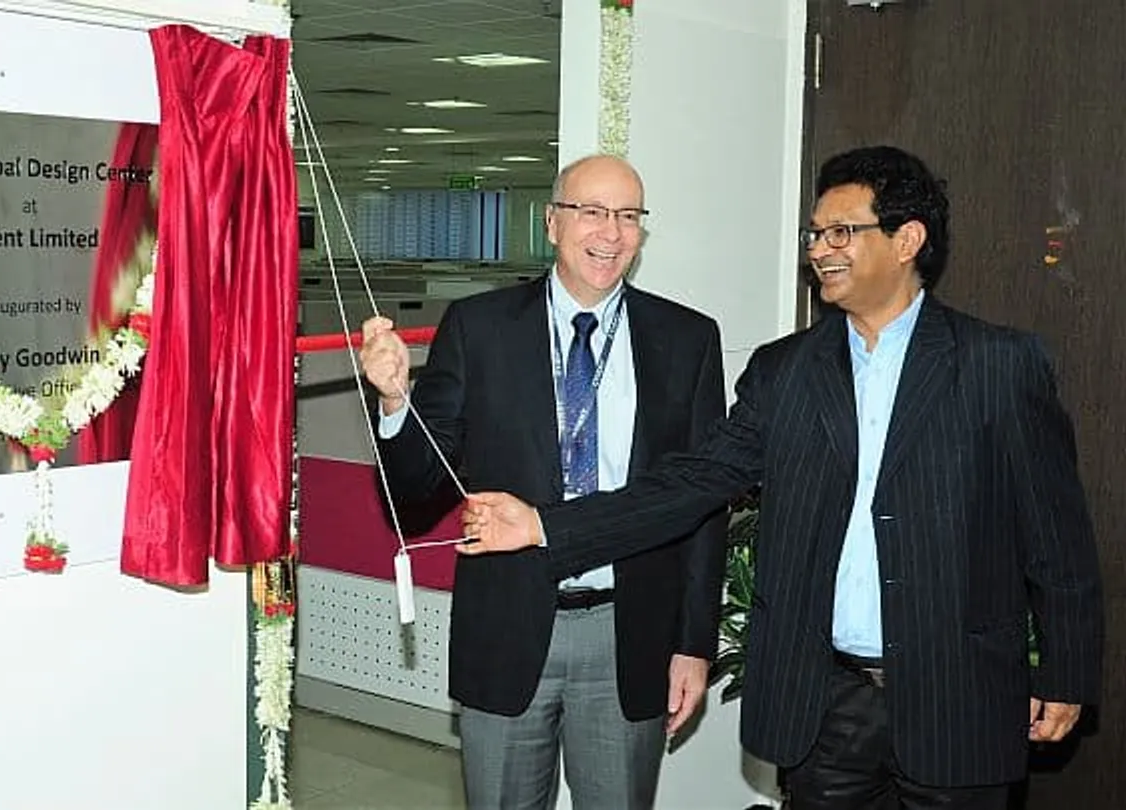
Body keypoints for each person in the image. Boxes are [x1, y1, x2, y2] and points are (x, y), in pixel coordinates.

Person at [460, 146, 1104, 810]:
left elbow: (1057, 537)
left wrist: (1066, 671)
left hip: (960, 699)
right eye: (815, 233)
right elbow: (691, 483)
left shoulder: (999, 365)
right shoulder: (786, 371)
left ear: (908, 239)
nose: (820, 249)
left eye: (841, 232)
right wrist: (546, 524)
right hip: (825, 709)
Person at [359, 154, 728, 810]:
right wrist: (394, 401)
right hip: (507, 623)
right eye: (591, 211)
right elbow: (415, 489)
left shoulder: (688, 340)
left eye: (627, 216)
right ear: (553, 223)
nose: (609, 233)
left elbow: (702, 504)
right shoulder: (479, 329)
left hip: (630, 632)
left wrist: (694, 646)